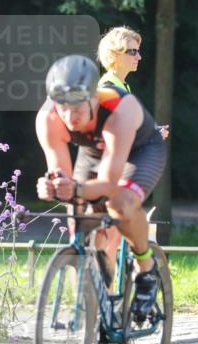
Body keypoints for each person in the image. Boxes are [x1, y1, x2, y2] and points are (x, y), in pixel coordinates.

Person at [35, 54, 168, 317]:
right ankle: (90, 310)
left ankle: (146, 267)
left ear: (94, 98)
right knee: (78, 220)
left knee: (120, 203)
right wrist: (54, 186)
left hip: (139, 152)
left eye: (78, 108)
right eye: (63, 107)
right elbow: (62, 175)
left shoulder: (120, 108)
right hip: (93, 152)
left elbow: (108, 184)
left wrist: (76, 189)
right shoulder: (47, 118)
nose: (70, 116)